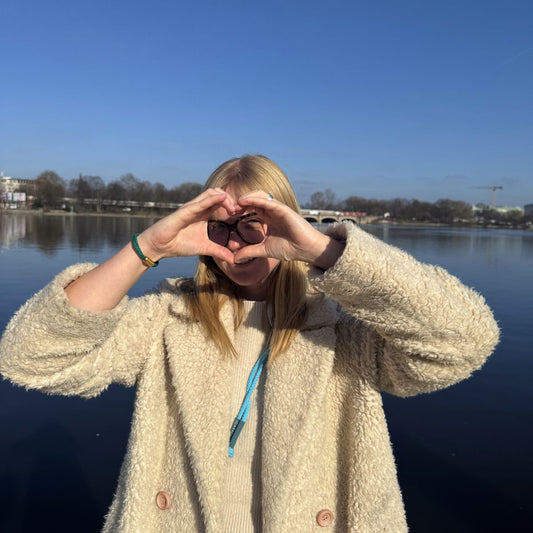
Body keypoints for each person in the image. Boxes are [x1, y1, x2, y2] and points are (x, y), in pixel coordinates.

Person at [0, 155, 499, 532]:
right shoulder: (168, 317)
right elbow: (30, 358)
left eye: (253, 224)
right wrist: (147, 247)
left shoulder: (346, 325)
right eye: (221, 227)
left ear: (285, 220)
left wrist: (319, 249)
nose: (237, 242)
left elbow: (464, 342)